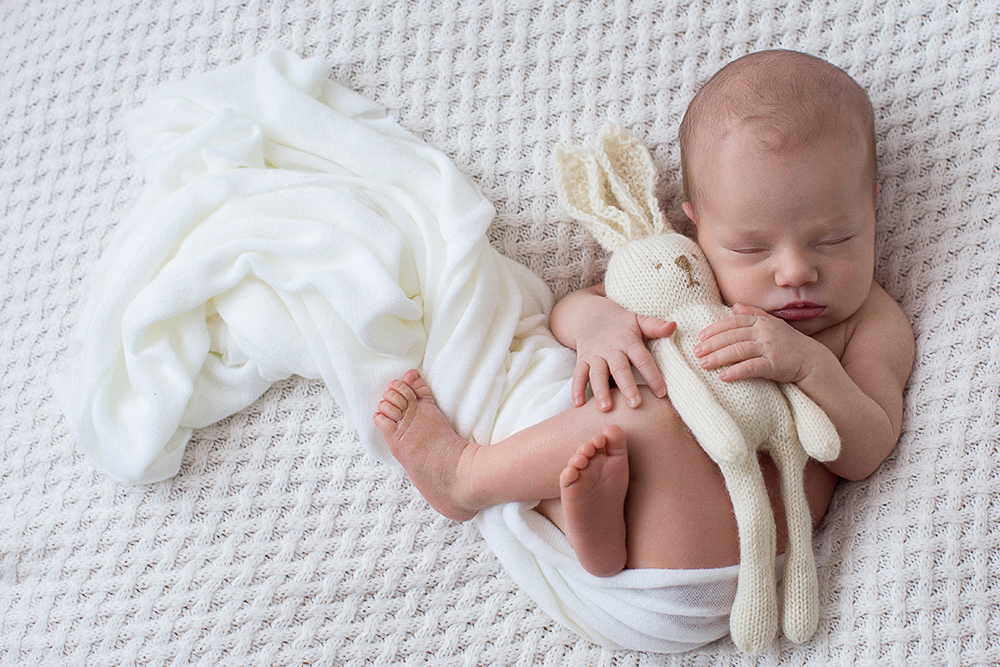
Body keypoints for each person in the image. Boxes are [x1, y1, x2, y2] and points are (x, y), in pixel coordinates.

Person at [373, 49, 915, 578]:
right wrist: (595, 324)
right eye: (751, 249)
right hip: (643, 562)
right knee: (627, 419)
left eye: (836, 239)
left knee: (646, 419)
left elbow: (869, 448)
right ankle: (592, 530)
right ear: (698, 226)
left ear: (871, 206)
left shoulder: (868, 320)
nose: (795, 272)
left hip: (751, 568)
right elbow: (577, 305)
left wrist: (808, 366)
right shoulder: (688, 273)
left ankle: (467, 477)